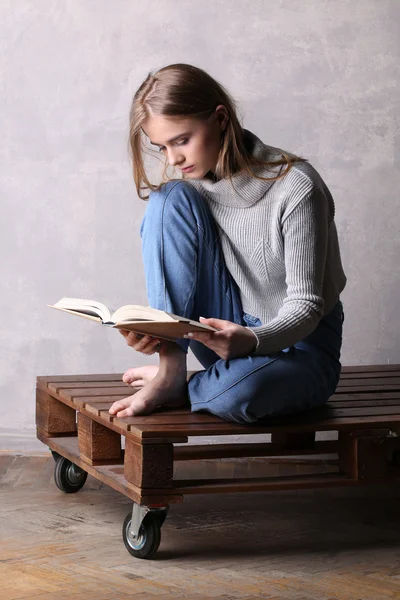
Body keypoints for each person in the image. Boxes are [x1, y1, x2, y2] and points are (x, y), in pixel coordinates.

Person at [109, 63, 347, 424]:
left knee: (241, 393)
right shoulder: (194, 188)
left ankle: (185, 387)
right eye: (162, 146)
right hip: (224, 331)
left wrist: (252, 340)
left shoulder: (296, 187)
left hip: (302, 351)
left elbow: (307, 306)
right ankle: (171, 370)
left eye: (182, 140)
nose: (174, 159)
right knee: (166, 199)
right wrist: (158, 334)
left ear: (220, 119)